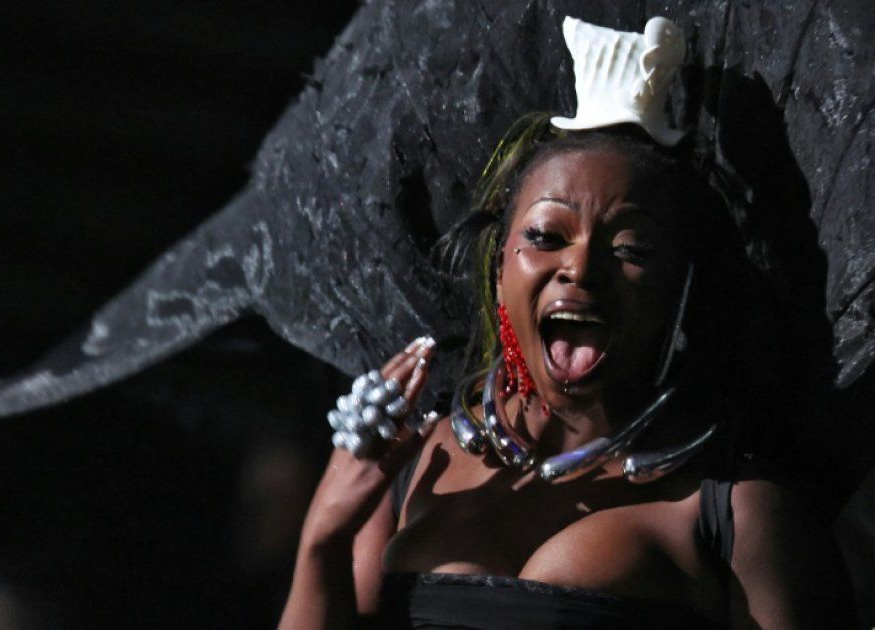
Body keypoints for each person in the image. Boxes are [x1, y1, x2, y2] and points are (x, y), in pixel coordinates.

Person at [279, 16, 853, 629]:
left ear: (678, 290)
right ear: (498, 268)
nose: (580, 267)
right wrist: (323, 537)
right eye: (547, 237)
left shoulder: (736, 512)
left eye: (631, 248)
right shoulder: (412, 462)